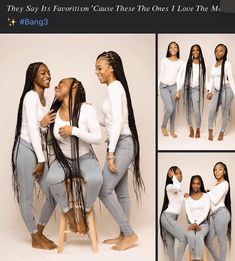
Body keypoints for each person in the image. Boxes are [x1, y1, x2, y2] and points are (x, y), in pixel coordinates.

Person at [95, 51, 145, 251]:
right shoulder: (113, 89)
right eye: (95, 69)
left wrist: (110, 152)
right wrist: (87, 112)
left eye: (100, 68)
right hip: (123, 141)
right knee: (121, 193)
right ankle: (123, 235)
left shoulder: (115, 87)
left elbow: (117, 125)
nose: (97, 72)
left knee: (103, 189)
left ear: (111, 68)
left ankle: (129, 233)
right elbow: (109, 122)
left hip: (122, 144)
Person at [45, 77, 103, 234]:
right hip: (63, 160)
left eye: (62, 82)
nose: (57, 85)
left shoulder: (86, 109)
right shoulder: (54, 113)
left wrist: (73, 131)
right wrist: (43, 126)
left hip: (85, 158)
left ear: (74, 86)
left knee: (96, 179)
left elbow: (98, 138)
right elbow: (48, 139)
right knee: (51, 179)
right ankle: (68, 212)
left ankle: (85, 212)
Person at [11, 62, 57, 250]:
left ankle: (39, 231)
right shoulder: (30, 97)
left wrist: (44, 125)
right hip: (25, 150)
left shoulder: (44, 100)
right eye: (43, 72)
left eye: (49, 72)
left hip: (37, 151)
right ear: (33, 77)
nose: (47, 75)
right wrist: (41, 159)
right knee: (27, 197)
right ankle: (33, 236)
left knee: (53, 194)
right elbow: (31, 128)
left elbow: (42, 132)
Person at [207, 44, 235, 141]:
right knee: (211, 110)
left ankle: (222, 131)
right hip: (216, 90)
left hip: (227, 89)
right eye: (217, 50)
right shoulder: (213, 65)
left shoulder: (227, 63)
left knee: (225, 112)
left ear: (225, 52)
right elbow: (211, 79)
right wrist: (209, 91)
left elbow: (231, 79)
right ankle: (210, 130)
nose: (218, 52)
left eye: (221, 50)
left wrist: (234, 93)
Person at [160, 166, 187, 261]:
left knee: (170, 245)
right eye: (177, 173)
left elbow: (182, 201)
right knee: (183, 239)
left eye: (180, 173)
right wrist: (173, 178)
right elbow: (177, 186)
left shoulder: (179, 190)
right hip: (168, 217)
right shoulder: (170, 187)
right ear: (171, 176)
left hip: (173, 218)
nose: (179, 175)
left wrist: (186, 197)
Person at [206, 162, 231, 261]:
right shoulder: (216, 185)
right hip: (215, 215)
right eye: (215, 170)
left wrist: (208, 193)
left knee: (222, 242)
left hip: (221, 213)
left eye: (220, 169)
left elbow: (215, 201)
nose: (217, 171)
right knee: (208, 241)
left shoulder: (225, 183)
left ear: (224, 171)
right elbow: (211, 200)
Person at [158, 42, 185, 138]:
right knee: (169, 108)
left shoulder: (181, 62)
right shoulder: (164, 60)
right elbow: (161, 74)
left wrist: (178, 90)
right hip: (163, 87)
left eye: (175, 47)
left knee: (173, 109)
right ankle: (163, 126)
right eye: (171, 47)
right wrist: (158, 87)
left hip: (174, 87)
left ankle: (172, 130)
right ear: (168, 49)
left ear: (178, 49)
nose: (173, 49)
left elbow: (180, 77)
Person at [181, 44, 207, 138]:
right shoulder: (186, 63)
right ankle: (191, 128)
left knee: (196, 110)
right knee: (188, 110)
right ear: (191, 52)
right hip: (186, 88)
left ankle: (198, 128)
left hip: (196, 88)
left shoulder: (202, 64)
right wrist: (178, 90)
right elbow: (181, 77)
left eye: (197, 50)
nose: (195, 52)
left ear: (200, 52)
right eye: (193, 50)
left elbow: (206, 79)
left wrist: (208, 90)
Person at [184, 175, 210, 261]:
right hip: (190, 224)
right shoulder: (188, 198)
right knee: (190, 235)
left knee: (199, 236)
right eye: (194, 183)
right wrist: (193, 224)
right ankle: (194, 258)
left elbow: (205, 213)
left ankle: (197, 259)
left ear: (201, 185)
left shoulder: (206, 196)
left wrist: (197, 223)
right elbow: (188, 212)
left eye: (198, 183)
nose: (196, 185)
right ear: (191, 185)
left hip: (203, 224)